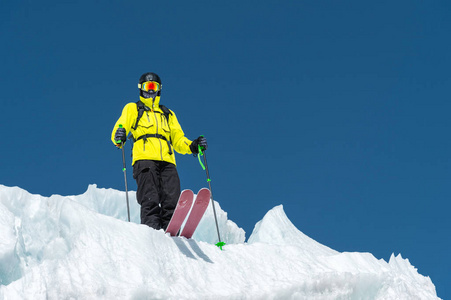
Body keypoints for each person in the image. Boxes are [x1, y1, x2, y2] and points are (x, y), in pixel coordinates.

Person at [111, 72, 207, 231]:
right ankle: (152, 232)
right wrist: (118, 136)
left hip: (168, 162)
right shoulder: (133, 108)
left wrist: (192, 146)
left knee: (172, 199)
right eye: (147, 86)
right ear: (140, 89)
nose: (150, 90)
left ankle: (170, 231)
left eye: (153, 87)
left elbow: (178, 139)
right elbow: (121, 126)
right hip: (144, 159)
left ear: (159, 89)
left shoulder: (168, 114)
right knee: (150, 198)